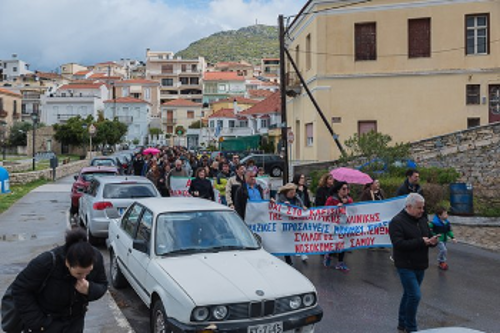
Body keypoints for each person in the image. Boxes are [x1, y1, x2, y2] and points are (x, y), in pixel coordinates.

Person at [11, 227, 107, 333]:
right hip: (47, 322)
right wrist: (39, 324)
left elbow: (102, 284)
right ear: (67, 263)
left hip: (75, 322)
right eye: (79, 273)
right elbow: (20, 289)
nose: (83, 277)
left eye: (88, 272)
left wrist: (90, 289)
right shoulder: (47, 262)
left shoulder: (96, 257)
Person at [389, 193, 439, 333]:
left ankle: (402, 323)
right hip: (405, 264)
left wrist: (432, 242)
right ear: (409, 207)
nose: (422, 210)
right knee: (415, 295)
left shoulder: (422, 219)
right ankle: (411, 328)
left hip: (420, 264)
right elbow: (398, 244)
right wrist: (421, 241)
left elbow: (427, 236)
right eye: (419, 208)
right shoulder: (397, 222)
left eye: (423, 207)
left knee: (408, 294)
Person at [325, 181, 353, 271]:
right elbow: (326, 211)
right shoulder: (331, 199)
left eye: (347, 189)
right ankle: (329, 254)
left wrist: (347, 202)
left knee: (343, 243)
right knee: (336, 243)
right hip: (334, 225)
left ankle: (340, 263)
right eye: (344, 189)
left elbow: (354, 209)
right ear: (338, 190)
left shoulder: (349, 199)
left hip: (345, 224)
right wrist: (336, 207)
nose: (346, 191)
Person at [276, 182, 307, 265]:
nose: (293, 194)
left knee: (298, 238)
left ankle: (301, 252)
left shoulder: (297, 198)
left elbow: (301, 205)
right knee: (287, 241)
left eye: (294, 192)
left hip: (296, 223)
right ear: (286, 192)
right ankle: (288, 259)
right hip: (285, 224)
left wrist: (303, 208)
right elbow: (276, 210)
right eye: (291, 193)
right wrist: (283, 205)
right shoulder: (280, 199)